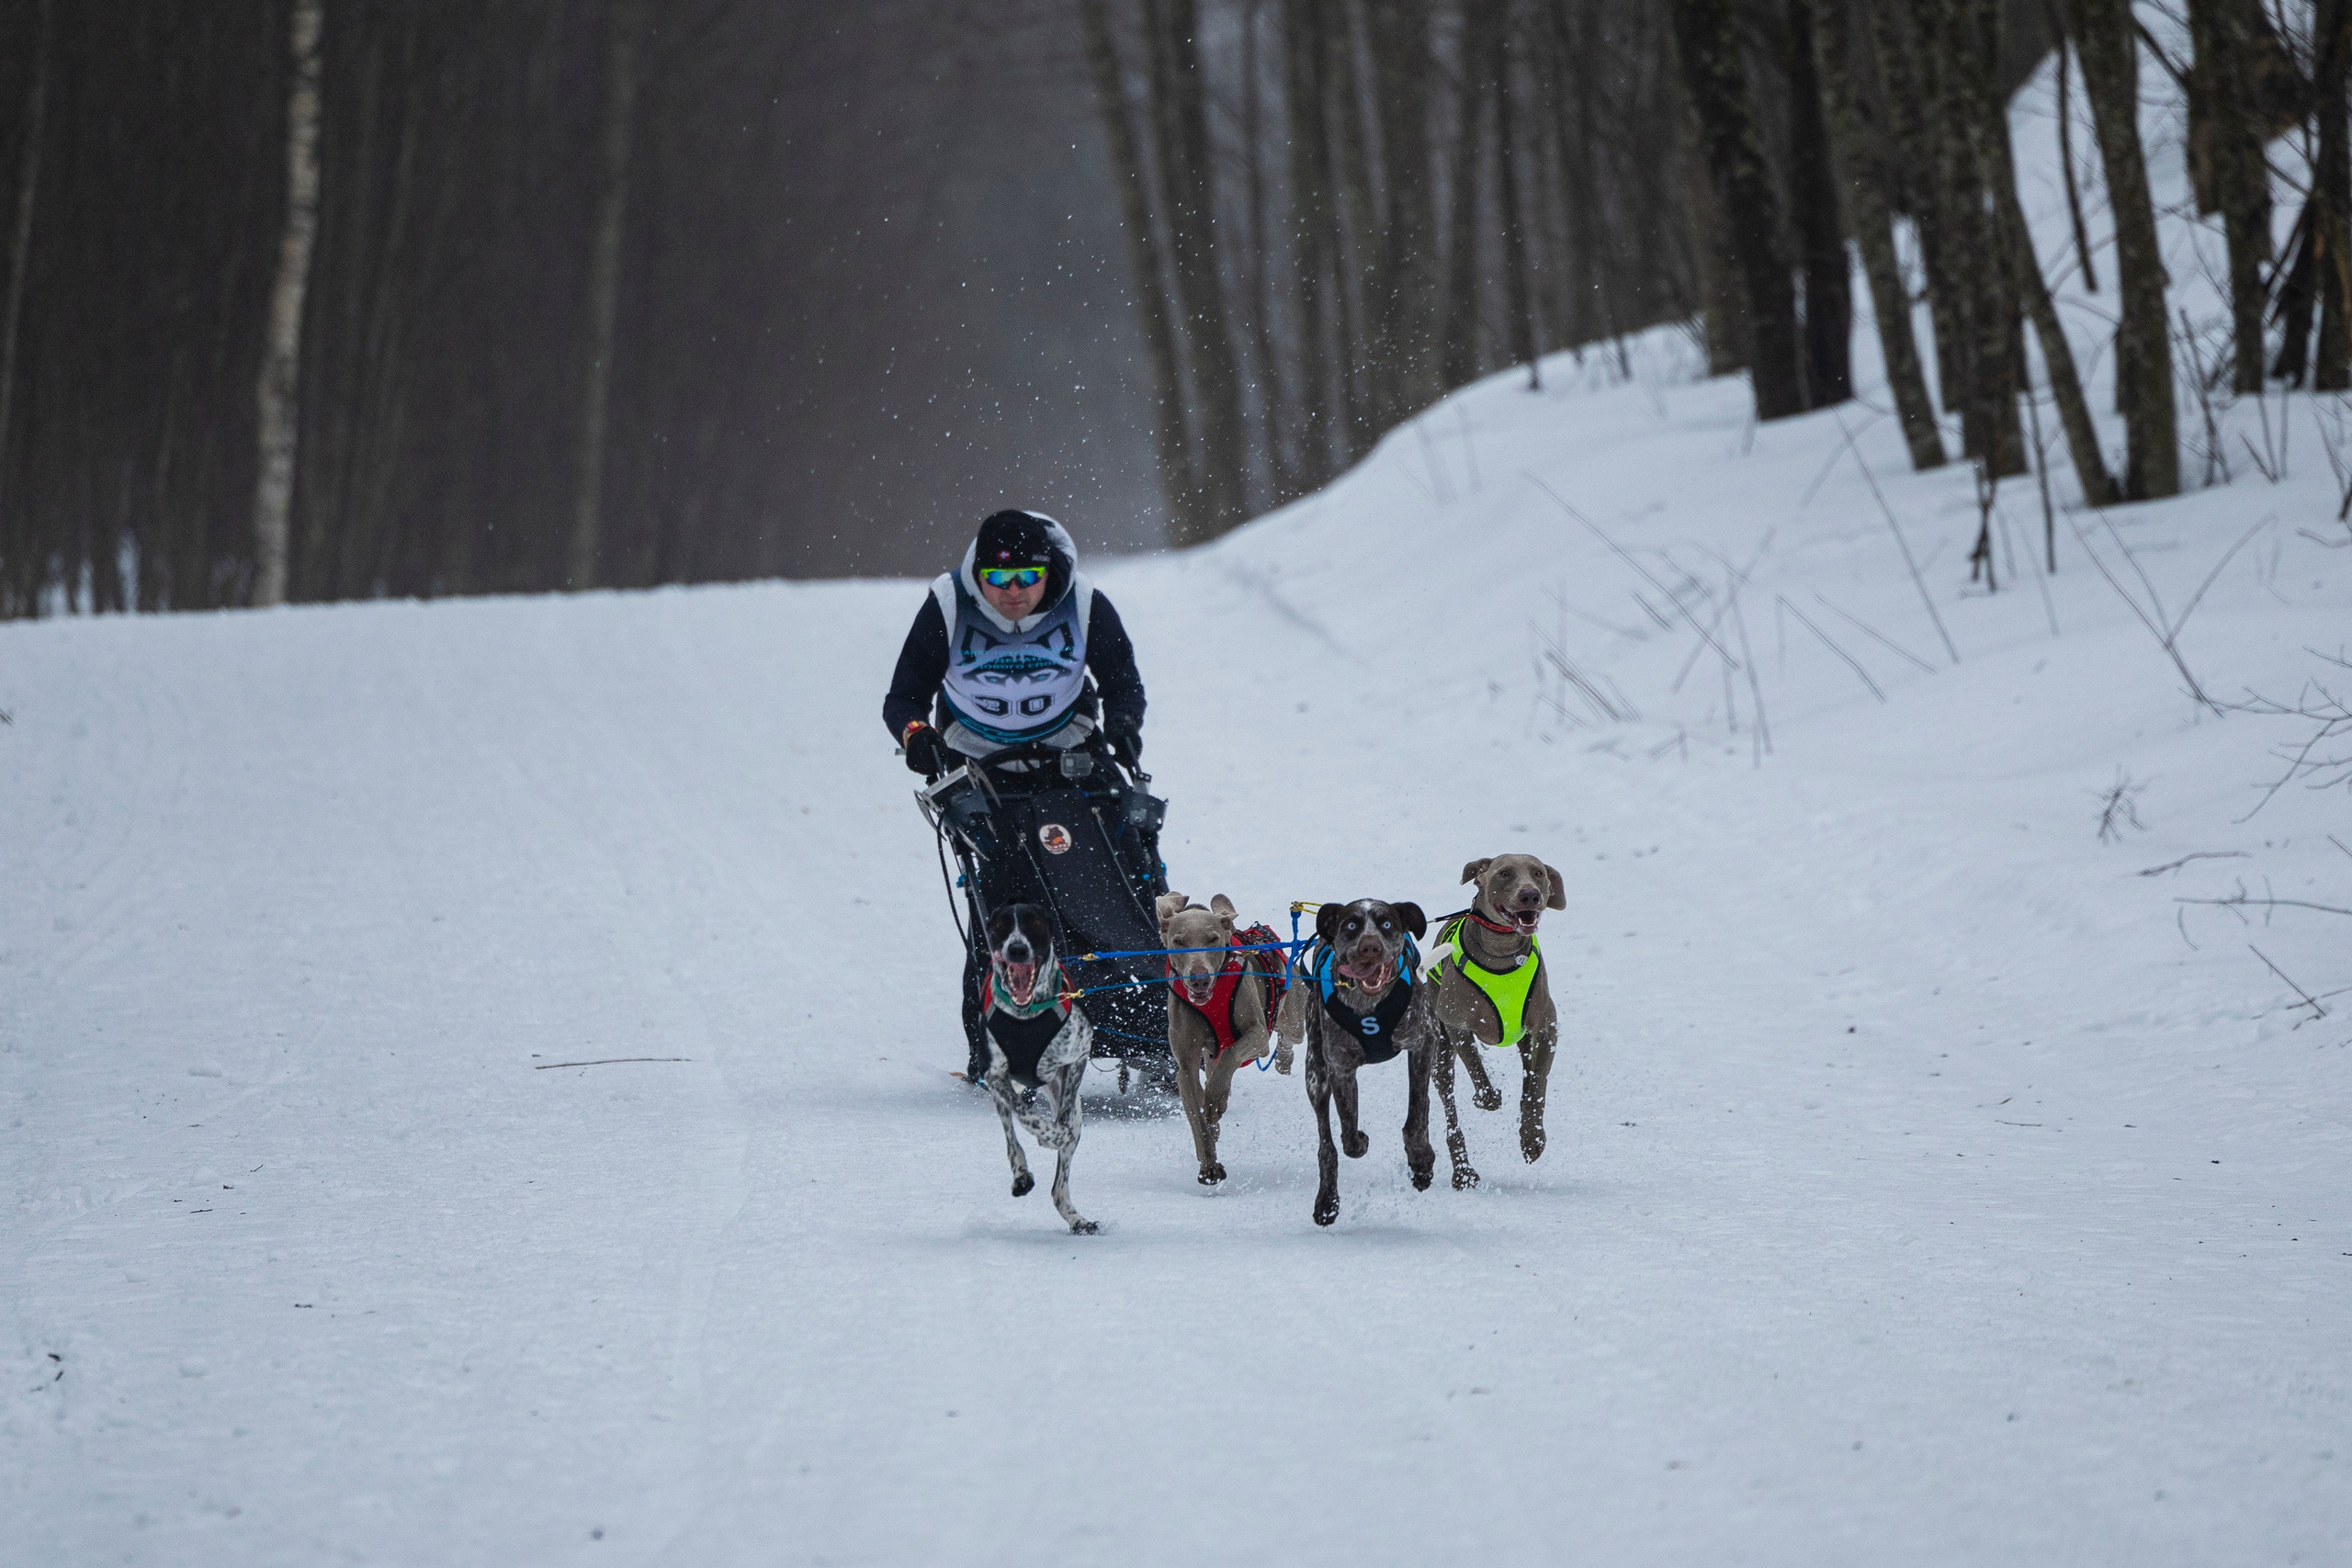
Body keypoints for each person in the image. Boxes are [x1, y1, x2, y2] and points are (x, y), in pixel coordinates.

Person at [883, 509, 1146, 776]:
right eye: (999, 577)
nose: (1014, 591)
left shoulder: (1084, 602)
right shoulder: (948, 605)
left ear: (1047, 571)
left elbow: (1122, 684)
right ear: (978, 573)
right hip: (972, 754)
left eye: (1028, 576)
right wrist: (916, 734)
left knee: (1127, 815)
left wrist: (1123, 722)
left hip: (1069, 744)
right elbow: (904, 698)